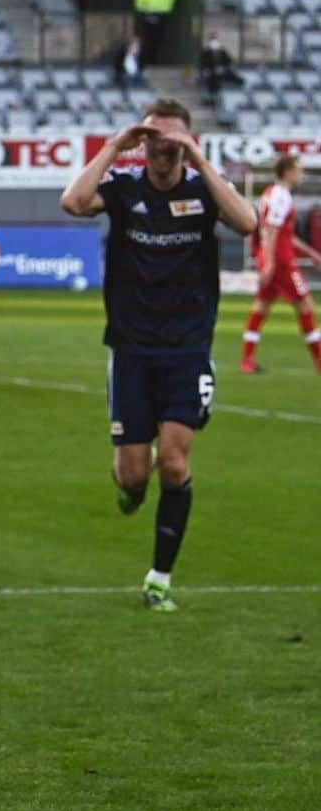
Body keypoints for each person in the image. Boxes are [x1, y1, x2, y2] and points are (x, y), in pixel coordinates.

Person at [60, 97, 256, 611]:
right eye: (154, 139)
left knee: (173, 463)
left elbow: (248, 222)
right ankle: (130, 481)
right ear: (142, 142)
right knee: (134, 478)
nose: (162, 149)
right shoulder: (124, 189)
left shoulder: (203, 191)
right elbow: (73, 202)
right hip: (131, 349)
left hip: (188, 347)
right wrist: (112, 146)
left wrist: (201, 158)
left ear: (187, 146)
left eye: (173, 141)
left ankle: (159, 579)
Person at [241, 154, 321, 374]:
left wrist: (310, 252)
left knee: (262, 306)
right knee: (305, 305)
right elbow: (273, 231)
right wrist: (270, 264)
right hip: (282, 262)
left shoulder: (272, 194)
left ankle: (247, 360)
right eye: (299, 169)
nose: (301, 174)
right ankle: (319, 360)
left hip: (274, 258)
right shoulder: (280, 196)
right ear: (287, 171)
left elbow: (282, 233)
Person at [133, 0, 186, 64]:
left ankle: (154, 61)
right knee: (148, 40)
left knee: (159, 40)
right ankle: (147, 61)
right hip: (149, 15)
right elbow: (138, 3)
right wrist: (146, 12)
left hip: (164, 17)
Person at [198, 34, 243, 100]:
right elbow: (203, 64)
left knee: (232, 75)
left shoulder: (222, 51)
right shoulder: (206, 52)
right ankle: (213, 94)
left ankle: (238, 87)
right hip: (211, 71)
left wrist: (225, 67)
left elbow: (229, 60)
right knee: (213, 78)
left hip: (222, 70)